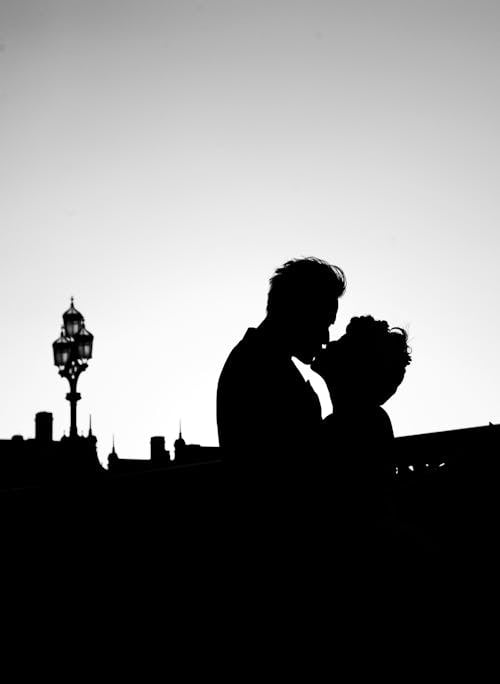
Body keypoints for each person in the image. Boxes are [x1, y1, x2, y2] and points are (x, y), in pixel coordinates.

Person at [216, 257, 346, 473]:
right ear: (297, 312)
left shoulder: (257, 360)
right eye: (323, 323)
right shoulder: (261, 369)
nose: (326, 338)